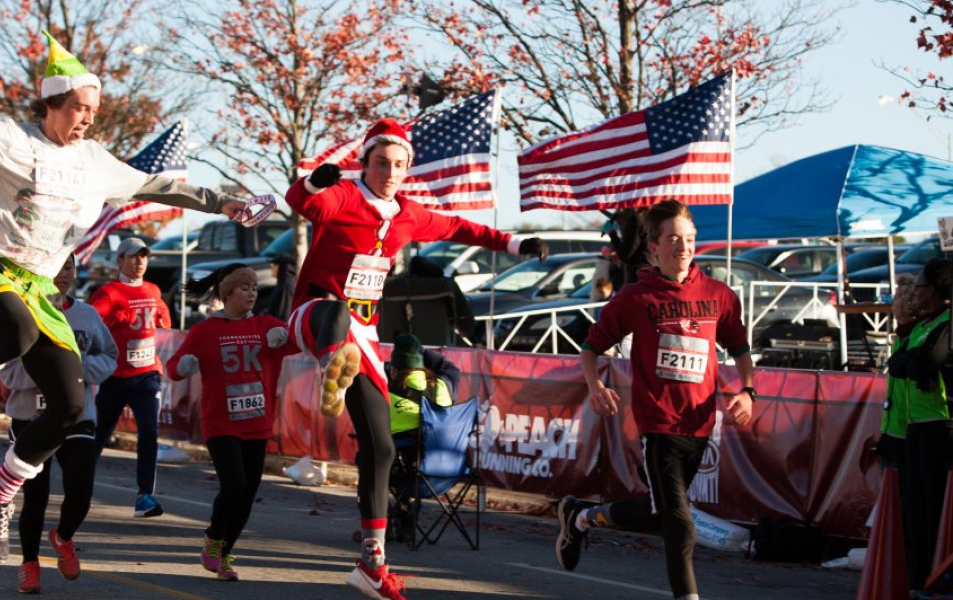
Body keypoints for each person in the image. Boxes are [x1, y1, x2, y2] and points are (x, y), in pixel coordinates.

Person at [0, 31, 261, 562]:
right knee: (15, 329)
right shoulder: (10, 140)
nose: (87, 118)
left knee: (69, 406)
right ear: (51, 104)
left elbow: (160, 186)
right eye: (77, 108)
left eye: (93, 109)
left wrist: (226, 202)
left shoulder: (95, 160)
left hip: (41, 291)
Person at [285, 118, 546, 600]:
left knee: (382, 449)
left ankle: (372, 562)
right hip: (314, 315)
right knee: (337, 315)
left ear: (408, 169)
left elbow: (458, 227)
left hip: (362, 338)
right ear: (364, 163)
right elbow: (300, 202)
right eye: (381, 162)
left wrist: (513, 243)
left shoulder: (408, 214)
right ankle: (329, 369)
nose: (389, 171)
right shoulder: (342, 195)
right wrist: (313, 181)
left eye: (399, 164)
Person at [554, 199, 754, 600]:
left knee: (657, 513)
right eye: (674, 239)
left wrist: (747, 391)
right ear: (655, 247)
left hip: (699, 424)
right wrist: (596, 386)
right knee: (681, 525)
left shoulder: (719, 295)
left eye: (691, 239)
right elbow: (590, 349)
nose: (684, 247)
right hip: (657, 424)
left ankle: (580, 517)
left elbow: (740, 349)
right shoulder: (636, 297)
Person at [166, 264, 295, 581]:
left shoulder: (266, 324)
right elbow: (172, 368)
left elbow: (298, 342)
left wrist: (285, 336)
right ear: (227, 293)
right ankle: (213, 538)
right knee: (234, 486)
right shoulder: (206, 331)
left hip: (257, 422)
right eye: (244, 287)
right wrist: (184, 365)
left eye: (254, 287)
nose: (252, 292)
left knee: (248, 493)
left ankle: (224, 555)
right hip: (221, 423)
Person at [1, 256, 116, 594]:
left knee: (80, 494)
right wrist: (50, 375)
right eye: (56, 267)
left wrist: (75, 370)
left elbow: (110, 356)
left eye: (69, 267)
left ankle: (63, 537)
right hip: (30, 417)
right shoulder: (20, 313)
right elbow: (7, 370)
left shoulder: (86, 315)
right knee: (35, 497)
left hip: (76, 416)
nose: (63, 274)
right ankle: (30, 564)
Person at [883, 259, 953, 590]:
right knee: (915, 508)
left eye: (921, 287)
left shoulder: (945, 323)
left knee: (933, 505)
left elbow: (928, 362)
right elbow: (898, 365)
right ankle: (917, 576)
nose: (915, 294)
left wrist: (913, 362)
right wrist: (913, 362)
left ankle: (933, 577)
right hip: (912, 426)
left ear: (936, 291)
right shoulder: (924, 327)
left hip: (938, 424)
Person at [89, 238, 171, 518]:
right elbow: (90, 326)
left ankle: (144, 496)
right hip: (115, 376)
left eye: (144, 257)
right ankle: (80, 485)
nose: (139, 262)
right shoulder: (109, 293)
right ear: (120, 260)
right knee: (100, 434)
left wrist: (161, 315)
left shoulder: (153, 289)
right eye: (133, 257)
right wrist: (114, 319)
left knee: (149, 433)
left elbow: (162, 318)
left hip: (147, 374)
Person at [384, 333, 457, 544]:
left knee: (370, 460)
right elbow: (452, 371)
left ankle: (379, 525)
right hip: (448, 467)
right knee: (411, 460)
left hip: (411, 469)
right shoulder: (441, 387)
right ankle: (406, 526)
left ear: (394, 369)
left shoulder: (388, 394)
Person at [260, 253, 296, 322]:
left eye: (273, 265)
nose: (271, 268)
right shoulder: (283, 283)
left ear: (281, 267)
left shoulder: (287, 286)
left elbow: (283, 315)